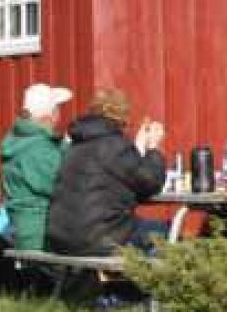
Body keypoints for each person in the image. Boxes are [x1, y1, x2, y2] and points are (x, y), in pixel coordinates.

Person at [45, 88, 168, 255]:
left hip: (62, 240)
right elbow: (150, 183)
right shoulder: (114, 145)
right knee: (167, 231)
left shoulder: (75, 146)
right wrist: (154, 148)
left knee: (148, 229)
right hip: (99, 238)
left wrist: (138, 148)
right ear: (122, 116)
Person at [0, 83, 72, 251]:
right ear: (49, 116)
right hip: (41, 230)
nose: (59, 115)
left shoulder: (16, 140)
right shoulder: (39, 148)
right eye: (57, 110)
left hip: (22, 226)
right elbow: (62, 185)